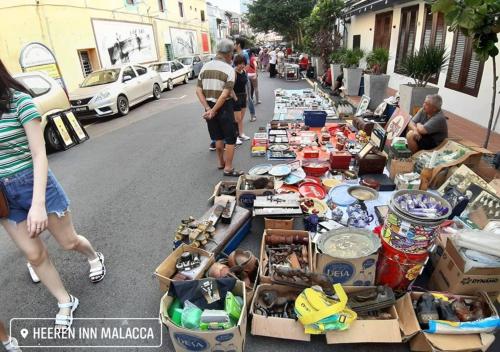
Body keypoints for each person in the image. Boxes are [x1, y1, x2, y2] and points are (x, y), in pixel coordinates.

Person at [0, 59, 106, 331]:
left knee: (68, 242)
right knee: (34, 255)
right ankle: (65, 300)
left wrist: (37, 204)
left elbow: (39, 154)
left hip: (35, 184)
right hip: (4, 196)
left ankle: (94, 256)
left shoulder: (20, 102)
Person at [196, 39, 244, 177]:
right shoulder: (229, 69)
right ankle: (228, 168)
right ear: (229, 54)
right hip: (223, 107)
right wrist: (215, 110)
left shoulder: (205, 67)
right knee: (230, 139)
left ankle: (220, 162)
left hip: (209, 106)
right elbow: (224, 95)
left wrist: (208, 109)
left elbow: (198, 90)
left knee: (217, 137)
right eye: (231, 54)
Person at [233, 38, 256, 122]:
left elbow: (248, 65)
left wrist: (242, 72)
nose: (234, 45)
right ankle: (237, 118)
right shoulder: (235, 55)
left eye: (235, 44)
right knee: (237, 98)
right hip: (236, 80)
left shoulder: (245, 54)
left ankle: (253, 115)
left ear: (238, 45)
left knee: (248, 98)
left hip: (244, 80)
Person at [232, 55, 251, 144]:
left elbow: (245, 85)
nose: (241, 65)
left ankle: (241, 134)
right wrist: (235, 98)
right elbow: (230, 87)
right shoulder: (233, 73)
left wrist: (247, 96)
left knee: (241, 118)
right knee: (236, 119)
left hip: (243, 96)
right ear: (236, 64)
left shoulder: (244, 71)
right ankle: (234, 137)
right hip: (236, 97)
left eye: (243, 63)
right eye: (239, 64)